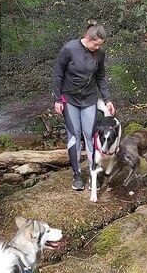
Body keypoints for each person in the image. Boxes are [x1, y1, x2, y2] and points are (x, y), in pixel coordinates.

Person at [53, 23, 115, 191]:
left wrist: (107, 99)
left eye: (100, 45)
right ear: (88, 37)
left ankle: (93, 173)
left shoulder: (100, 53)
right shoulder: (70, 48)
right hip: (69, 98)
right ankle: (77, 175)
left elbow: (101, 77)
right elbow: (58, 73)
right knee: (75, 134)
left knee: (90, 134)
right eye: (96, 44)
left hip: (89, 98)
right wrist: (57, 99)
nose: (98, 47)